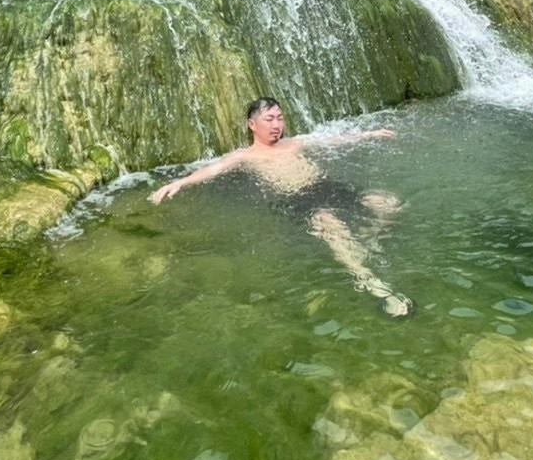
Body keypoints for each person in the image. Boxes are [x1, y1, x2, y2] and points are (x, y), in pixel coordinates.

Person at [148, 97, 412, 316]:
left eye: (280, 118)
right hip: (298, 199)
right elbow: (212, 169)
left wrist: (369, 134)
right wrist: (180, 183)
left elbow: (334, 141)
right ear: (252, 124)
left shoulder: (295, 142)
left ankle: (368, 239)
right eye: (269, 119)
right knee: (330, 225)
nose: (276, 125)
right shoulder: (245, 156)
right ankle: (375, 286)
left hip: (327, 186)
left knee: (387, 203)